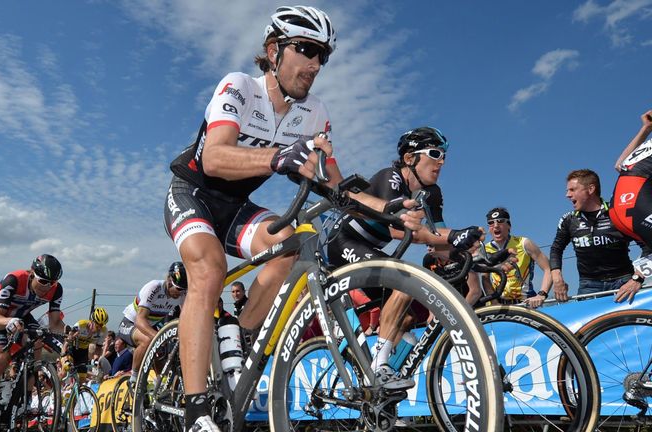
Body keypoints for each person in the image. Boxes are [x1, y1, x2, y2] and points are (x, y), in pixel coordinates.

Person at [162, 6, 343, 430]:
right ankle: (195, 410)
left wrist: (388, 212)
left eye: (323, 55)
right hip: (194, 192)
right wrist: (279, 157)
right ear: (273, 50)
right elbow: (215, 155)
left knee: (292, 244)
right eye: (306, 49)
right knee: (209, 271)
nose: (315, 63)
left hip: (237, 208)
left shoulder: (315, 112)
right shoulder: (239, 86)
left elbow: (334, 182)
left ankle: (238, 334)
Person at [326, 127, 483, 396]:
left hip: (369, 248)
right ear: (410, 158)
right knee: (403, 283)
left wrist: (475, 256)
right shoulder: (392, 179)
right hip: (344, 244)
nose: (441, 161)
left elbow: (439, 243)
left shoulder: (432, 194)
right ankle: (378, 367)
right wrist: (455, 236)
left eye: (444, 155)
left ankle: (376, 389)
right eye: (434, 154)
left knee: (407, 319)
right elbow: (403, 231)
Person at [0, 254, 65, 432]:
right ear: (31, 274)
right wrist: (8, 322)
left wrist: (69, 333)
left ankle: (23, 399)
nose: (47, 287)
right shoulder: (14, 279)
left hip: (21, 316)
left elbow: (55, 324)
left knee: (38, 341)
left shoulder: (55, 289)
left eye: (52, 282)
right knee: (2, 358)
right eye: (43, 281)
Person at [550, 169, 636, 297]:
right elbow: (556, 249)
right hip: (589, 285)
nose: (567, 195)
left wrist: (637, 279)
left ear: (590, 189)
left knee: (630, 318)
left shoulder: (617, 212)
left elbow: (647, 244)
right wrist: (557, 278)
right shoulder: (568, 220)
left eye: (572, 190)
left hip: (624, 281)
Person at [117, 261, 187, 386]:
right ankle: (134, 379)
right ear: (170, 280)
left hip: (150, 324)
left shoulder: (182, 293)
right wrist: (158, 337)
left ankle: (160, 385)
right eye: (178, 289)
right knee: (149, 340)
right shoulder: (154, 287)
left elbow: (186, 317)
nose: (180, 293)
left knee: (160, 350)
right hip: (131, 323)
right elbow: (140, 320)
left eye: (183, 290)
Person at [610, 109, 652, 303]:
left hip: (620, 208)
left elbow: (620, 164)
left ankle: (637, 279)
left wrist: (646, 128)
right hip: (635, 203)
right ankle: (637, 278)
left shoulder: (649, 145)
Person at [482, 207, 556, 308]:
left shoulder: (524, 243)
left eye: (500, 221)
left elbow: (549, 268)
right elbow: (485, 278)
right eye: (491, 223)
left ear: (509, 225)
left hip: (525, 303)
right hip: (499, 305)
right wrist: (494, 302)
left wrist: (542, 294)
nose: (495, 226)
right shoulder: (485, 249)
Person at [62, 307, 109, 382]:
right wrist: (64, 356)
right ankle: (55, 391)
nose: (99, 328)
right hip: (71, 350)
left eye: (102, 325)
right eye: (97, 325)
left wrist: (96, 359)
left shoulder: (103, 331)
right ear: (92, 321)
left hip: (83, 353)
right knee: (64, 371)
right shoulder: (81, 325)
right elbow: (66, 342)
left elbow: (98, 348)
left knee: (82, 379)